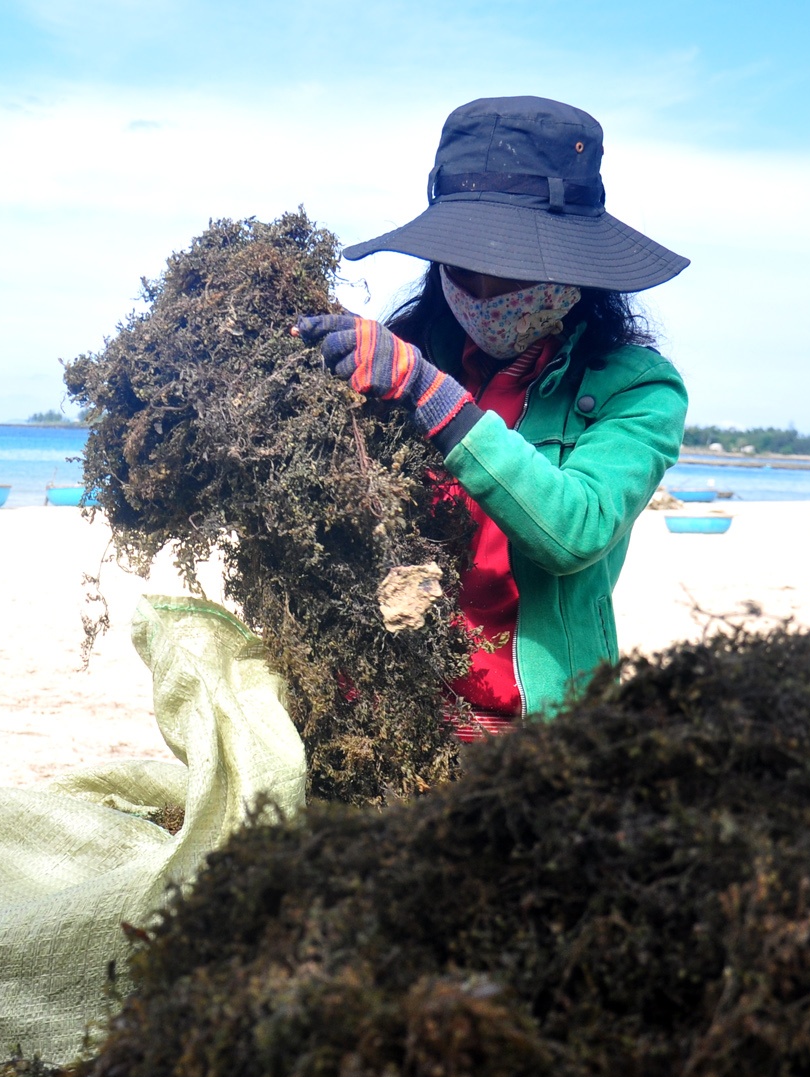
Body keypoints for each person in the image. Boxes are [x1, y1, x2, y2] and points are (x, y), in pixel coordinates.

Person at [294, 95, 689, 738]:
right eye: (463, 269)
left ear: (573, 272)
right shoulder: (408, 351)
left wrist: (429, 393)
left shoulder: (638, 391)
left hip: (532, 730)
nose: (482, 296)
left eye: (510, 274)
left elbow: (573, 529)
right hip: (389, 711)